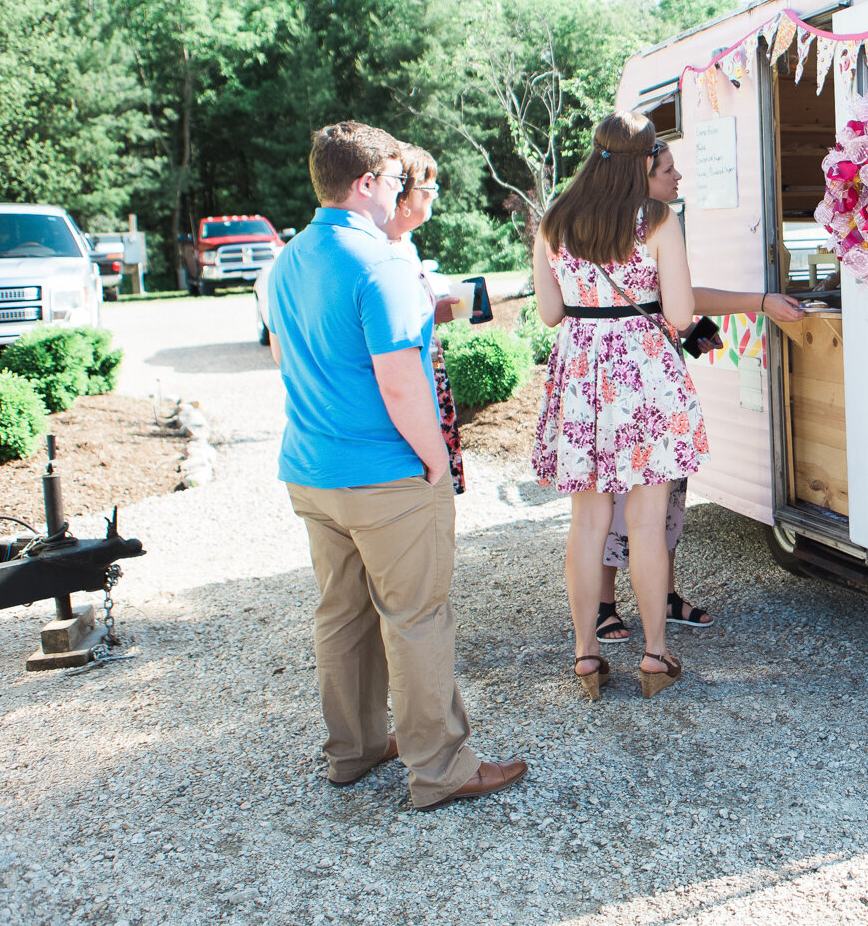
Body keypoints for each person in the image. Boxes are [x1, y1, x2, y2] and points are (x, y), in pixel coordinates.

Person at [269, 120, 525, 810]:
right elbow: (400, 380)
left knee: (342, 615)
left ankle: (351, 751)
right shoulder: (378, 262)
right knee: (417, 617)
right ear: (366, 184)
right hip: (384, 475)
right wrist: (436, 460)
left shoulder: (287, 259)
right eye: (391, 180)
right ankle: (441, 768)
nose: (399, 191)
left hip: (312, 470)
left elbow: (280, 358)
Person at [592, 140, 805, 645]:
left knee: (663, 499)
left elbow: (669, 303)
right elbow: (667, 302)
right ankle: (605, 605)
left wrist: (689, 332)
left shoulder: (658, 221)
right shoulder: (624, 225)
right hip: (625, 388)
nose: (678, 176)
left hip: (655, 381)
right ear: (641, 175)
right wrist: (759, 301)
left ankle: (661, 594)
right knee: (619, 501)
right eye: (667, 169)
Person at [531, 111, 707, 699]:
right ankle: (655, 655)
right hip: (645, 377)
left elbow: (551, 314)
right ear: (642, 158)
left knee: (587, 523)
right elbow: (681, 314)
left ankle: (586, 657)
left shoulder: (556, 220)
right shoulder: (656, 219)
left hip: (582, 374)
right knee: (647, 524)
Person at [382, 144, 466, 495]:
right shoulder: (383, 251)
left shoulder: (405, 244)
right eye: (428, 187)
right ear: (403, 197)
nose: (434, 195)